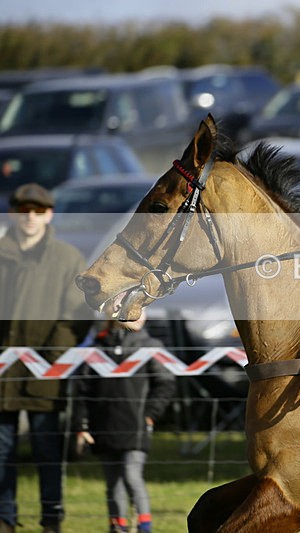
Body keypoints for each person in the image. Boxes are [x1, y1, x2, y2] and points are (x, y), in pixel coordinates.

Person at [0, 183, 92, 533]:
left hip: (46, 374)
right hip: (3, 375)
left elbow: (76, 316)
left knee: (47, 452)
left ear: (49, 214)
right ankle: (4, 519)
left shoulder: (67, 259)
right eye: (24, 211)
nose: (30, 218)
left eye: (37, 211)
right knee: (2, 452)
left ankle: (51, 520)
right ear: (14, 213)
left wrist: (51, 359)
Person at [72, 310, 175, 533]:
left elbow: (165, 384)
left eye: (142, 310)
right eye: (131, 310)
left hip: (136, 425)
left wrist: (150, 414)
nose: (139, 315)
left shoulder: (150, 346)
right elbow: (83, 391)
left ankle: (144, 526)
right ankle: (118, 526)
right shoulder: (97, 348)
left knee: (131, 475)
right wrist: (81, 426)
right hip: (104, 425)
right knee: (113, 482)